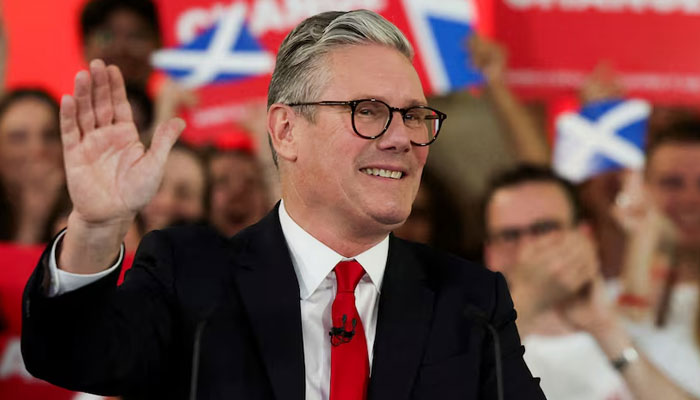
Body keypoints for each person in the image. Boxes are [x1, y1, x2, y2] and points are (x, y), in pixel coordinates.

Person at [21, 10, 545, 399]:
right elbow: (70, 355)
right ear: (286, 130)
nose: (401, 138)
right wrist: (96, 224)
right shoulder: (192, 277)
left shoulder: (472, 299)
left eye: (414, 116)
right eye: (368, 111)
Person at [483, 163, 696, 400]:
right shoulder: (461, 338)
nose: (528, 250)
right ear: (490, 254)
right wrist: (525, 305)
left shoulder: (645, 317)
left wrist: (606, 329)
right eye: (510, 236)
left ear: (584, 236)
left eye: (544, 229)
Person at [0, 88, 67, 244]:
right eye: (18, 137)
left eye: (50, 135)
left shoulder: (84, 209)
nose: (38, 150)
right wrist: (31, 224)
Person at [80, 0, 161, 89]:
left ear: (158, 44)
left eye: (137, 36)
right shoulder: (65, 102)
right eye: (106, 36)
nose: (120, 49)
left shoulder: (173, 101)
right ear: (85, 46)